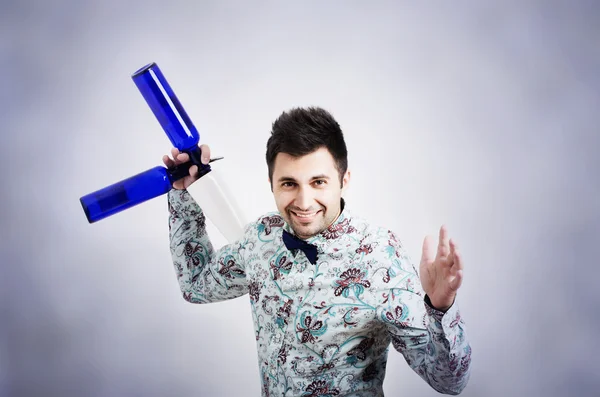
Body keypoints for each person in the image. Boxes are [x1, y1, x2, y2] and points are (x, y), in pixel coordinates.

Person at [162, 107, 472, 396]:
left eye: (318, 182)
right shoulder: (260, 239)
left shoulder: (381, 256)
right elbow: (196, 285)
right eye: (289, 184)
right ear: (271, 183)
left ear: (343, 180)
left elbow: (449, 381)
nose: (304, 201)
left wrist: (440, 308)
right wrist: (183, 195)